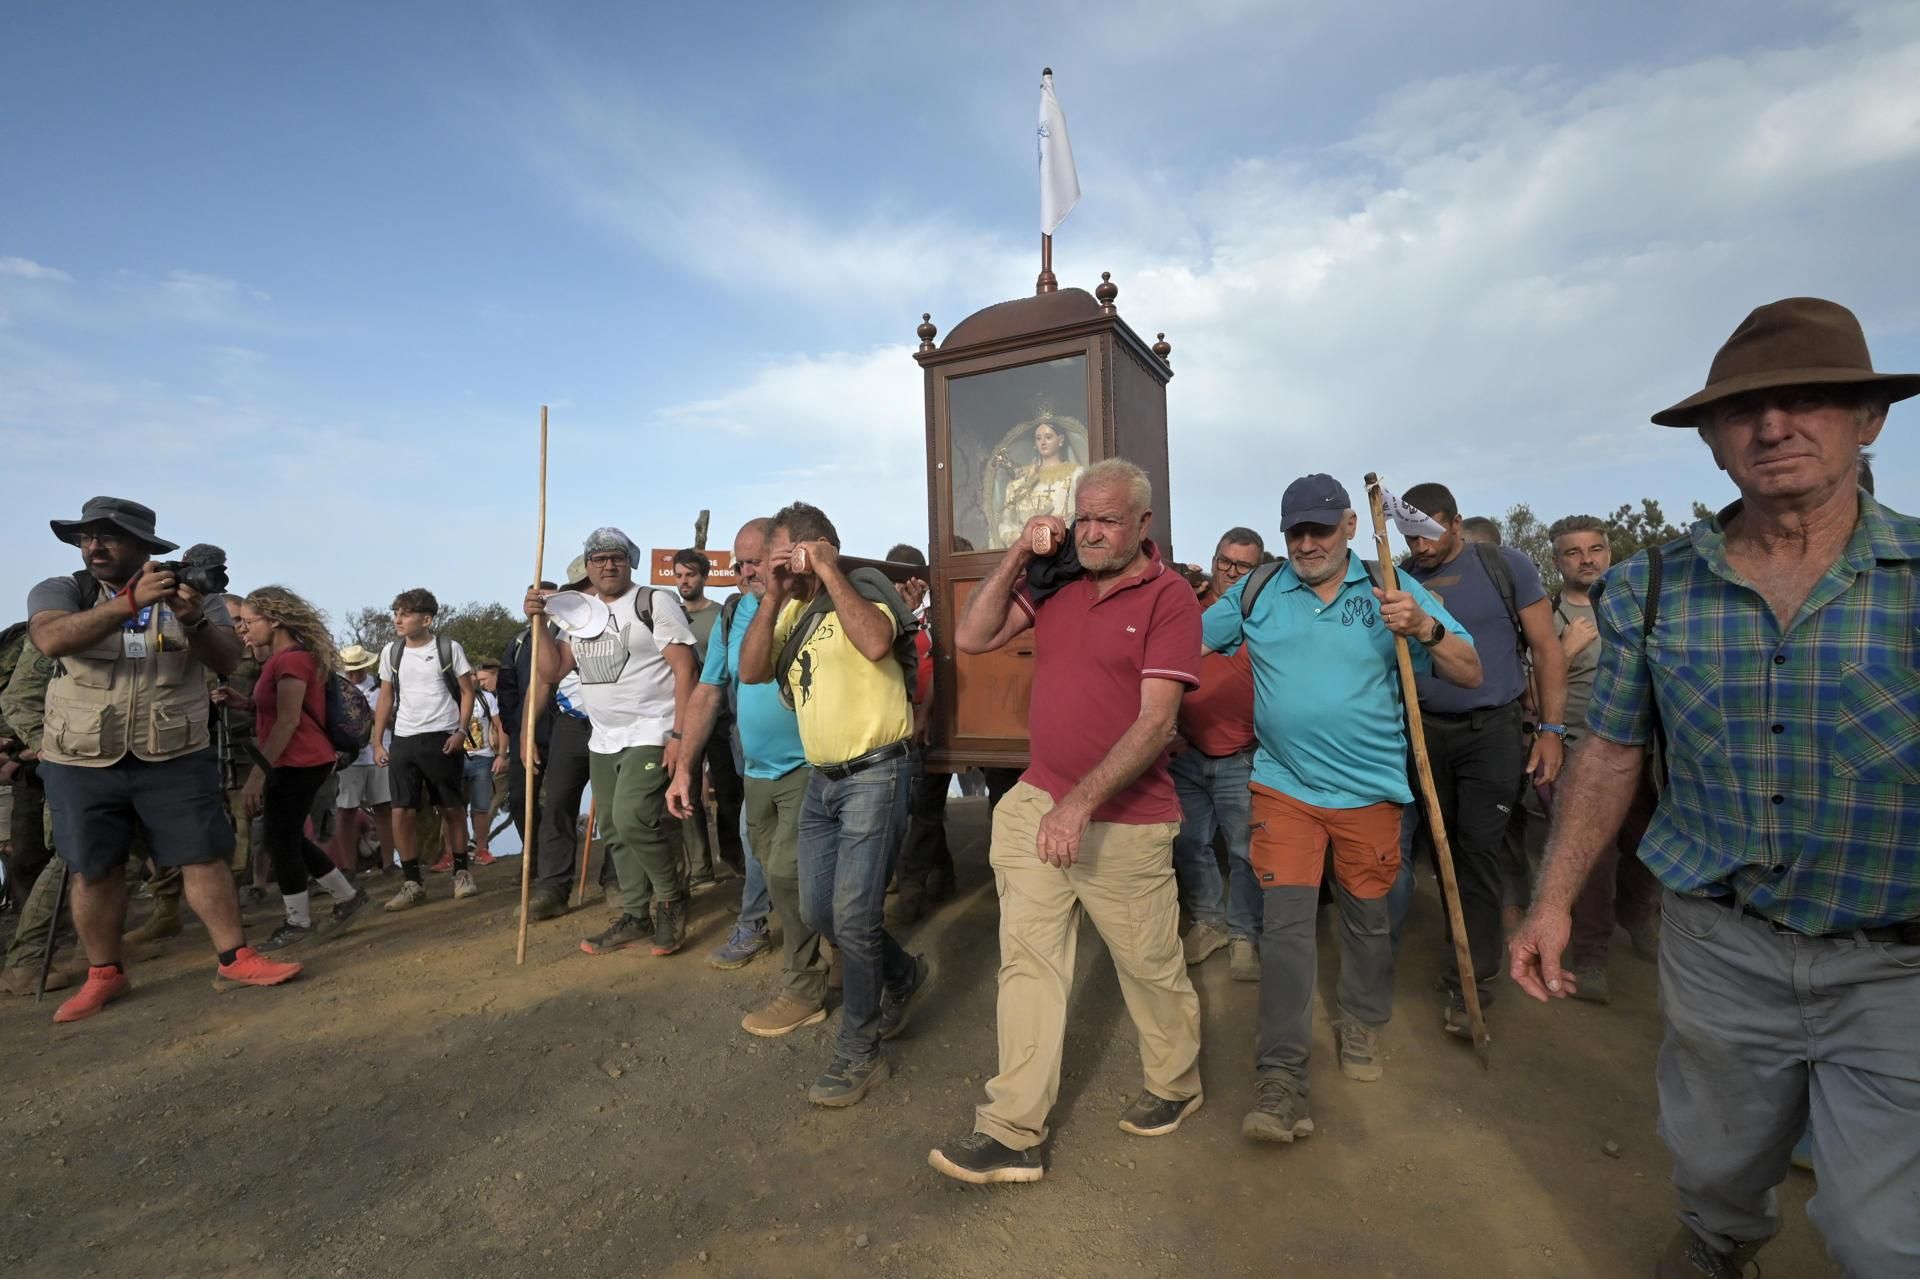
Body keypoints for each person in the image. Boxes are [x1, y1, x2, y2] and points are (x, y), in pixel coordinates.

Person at [1509, 297, 1920, 1279]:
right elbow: (1612, 754)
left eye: (1809, 399)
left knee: (1882, 1235)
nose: (1774, 426)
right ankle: (1718, 1247)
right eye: (1745, 411)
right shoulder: (1655, 586)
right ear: (1712, 444)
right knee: (1718, 1166)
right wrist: (1555, 898)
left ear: (1869, 421)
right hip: (1720, 944)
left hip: (1896, 963)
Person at [929, 459, 1203, 1184]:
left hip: (1128, 823)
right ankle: (1012, 1130)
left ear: (1143, 525)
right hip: (1035, 804)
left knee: (1148, 968)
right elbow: (972, 635)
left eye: (1107, 519)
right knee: (1029, 964)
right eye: (1083, 517)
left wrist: (1080, 804)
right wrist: (1020, 551)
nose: (1091, 531)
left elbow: (1157, 722)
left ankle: (1176, 1082)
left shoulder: (1171, 597)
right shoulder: (1056, 581)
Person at [1204, 476, 1480, 1144]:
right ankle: (1279, 1079)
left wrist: (1425, 625)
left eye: (1319, 529)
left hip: (1372, 791)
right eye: (1295, 530)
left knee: (1367, 920)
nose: (1306, 542)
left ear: (1351, 526)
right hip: (1284, 788)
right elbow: (1183, 642)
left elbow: (1471, 669)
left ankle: (1358, 1018)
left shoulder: (1390, 587)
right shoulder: (1259, 591)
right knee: (1288, 930)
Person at [26, 497, 302, 1020]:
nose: (94, 546)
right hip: (81, 756)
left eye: (108, 537)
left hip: (175, 749)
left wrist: (195, 619)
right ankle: (104, 974)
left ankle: (235, 958)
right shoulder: (65, 589)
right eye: (87, 537)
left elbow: (227, 660)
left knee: (203, 855)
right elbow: (50, 638)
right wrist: (128, 604)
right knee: (93, 868)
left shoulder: (196, 592)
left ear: (143, 546)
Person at [738, 501, 930, 1107]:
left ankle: (860, 1053)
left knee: (852, 916)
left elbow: (876, 643)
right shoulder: (789, 609)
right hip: (823, 780)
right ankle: (904, 975)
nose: (776, 569)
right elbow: (750, 672)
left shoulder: (867, 587)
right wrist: (772, 593)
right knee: (822, 911)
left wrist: (828, 571)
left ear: (814, 547)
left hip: (878, 772)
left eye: (782, 556)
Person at [1397, 481, 1567, 1037]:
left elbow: (1546, 649)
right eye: (1409, 535)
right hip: (1423, 734)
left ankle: (1471, 980)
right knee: (1436, 849)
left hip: (1491, 729)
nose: (1420, 546)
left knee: (1478, 849)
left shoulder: (1504, 566)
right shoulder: (1400, 579)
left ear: (1454, 522)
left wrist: (1550, 731)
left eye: (1428, 533)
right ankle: (1456, 953)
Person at [669, 518, 831, 1032]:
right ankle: (873, 964)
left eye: (755, 561)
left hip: (812, 767)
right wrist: (685, 767)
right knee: (764, 859)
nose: (744, 573)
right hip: (754, 771)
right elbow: (709, 690)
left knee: (787, 869)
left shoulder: (817, 602)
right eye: (738, 564)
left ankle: (804, 983)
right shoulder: (735, 613)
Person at [523, 529, 697, 956]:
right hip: (603, 737)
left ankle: (671, 900)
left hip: (651, 729)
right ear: (589, 566)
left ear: (630, 561)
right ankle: (636, 915)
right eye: (598, 559)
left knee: (634, 816)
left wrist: (679, 735)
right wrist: (540, 623)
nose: (607, 565)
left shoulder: (653, 602)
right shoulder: (578, 614)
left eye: (616, 557)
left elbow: (685, 670)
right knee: (615, 830)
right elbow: (551, 671)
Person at [1530, 515, 1658, 1003]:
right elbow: (1529, 691)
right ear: (1557, 560)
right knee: (1591, 859)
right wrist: (1562, 651)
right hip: (1580, 750)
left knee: (1648, 850)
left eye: (1595, 549)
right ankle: (1590, 956)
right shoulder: (1545, 616)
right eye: (1573, 552)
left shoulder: (1636, 608)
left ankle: (1638, 914)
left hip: (1644, 751)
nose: (1586, 560)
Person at [233, 587, 369, 950]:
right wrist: (247, 705)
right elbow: (282, 711)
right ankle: (345, 897)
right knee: (286, 836)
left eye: (249, 622)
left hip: (297, 760)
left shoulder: (289, 661)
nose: (243, 630)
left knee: (281, 840)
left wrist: (257, 775)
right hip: (302, 759)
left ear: (275, 620)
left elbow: (288, 721)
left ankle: (299, 921)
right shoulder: (290, 659)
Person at [1173, 527, 1265, 980]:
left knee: (1246, 851)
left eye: (1243, 566)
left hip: (1243, 755)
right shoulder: (1187, 604)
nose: (1231, 572)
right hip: (1186, 752)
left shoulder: (1267, 611)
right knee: (1190, 844)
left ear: (1258, 570)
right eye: (1224, 561)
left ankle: (1245, 933)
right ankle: (1209, 923)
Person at [371, 588, 477, 909]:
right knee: (401, 810)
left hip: (442, 736)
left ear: (426, 619)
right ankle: (412, 882)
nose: (397, 619)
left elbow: (467, 692)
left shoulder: (448, 648)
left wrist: (460, 731)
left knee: (452, 807)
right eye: (395, 613)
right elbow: (386, 697)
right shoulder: (391, 652)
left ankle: (461, 873)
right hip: (404, 738)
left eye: (405, 613)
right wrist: (377, 741)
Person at [886, 542, 953, 927]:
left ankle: (911, 888)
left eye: (903, 578)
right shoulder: (887, 616)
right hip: (901, 723)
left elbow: (943, 667)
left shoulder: (938, 617)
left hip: (936, 724)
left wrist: (925, 713)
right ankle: (943, 874)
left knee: (925, 806)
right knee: (919, 806)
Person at [671, 548, 746, 891]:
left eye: (691, 575)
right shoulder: (669, 617)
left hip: (720, 716)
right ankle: (700, 867)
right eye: (679, 576)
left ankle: (734, 859)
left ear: (704, 578)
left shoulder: (721, 615)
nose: (684, 582)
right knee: (685, 789)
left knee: (728, 792)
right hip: (679, 717)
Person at [330, 645, 394, 876]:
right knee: (345, 810)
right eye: (350, 670)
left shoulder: (381, 687)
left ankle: (389, 863)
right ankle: (349, 866)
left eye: (358, 669)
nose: (354, 674)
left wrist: (379, 716)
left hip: (381, 752)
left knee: (384, 808)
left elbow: (394, 719)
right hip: (349, 758)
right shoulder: (335, 689)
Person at [991, 410, 1085, 548]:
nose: (1043, 442)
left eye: (1048, 437)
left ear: (1061, 440)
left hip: (1067, 546)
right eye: (1038, 438)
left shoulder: (1076, 473)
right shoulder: (1024, 479)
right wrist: (1026, 537)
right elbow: (1008, 522)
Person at [462, 660, 509, 866]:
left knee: (482, 806)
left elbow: (500, 726)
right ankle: (452, 853)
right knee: (453, 808)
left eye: (477, 678)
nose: (475, 682)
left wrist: (501, 754)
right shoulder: (450, 698)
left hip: (484, 757)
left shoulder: (487, 698)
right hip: (457, 758)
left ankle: (481, 848)